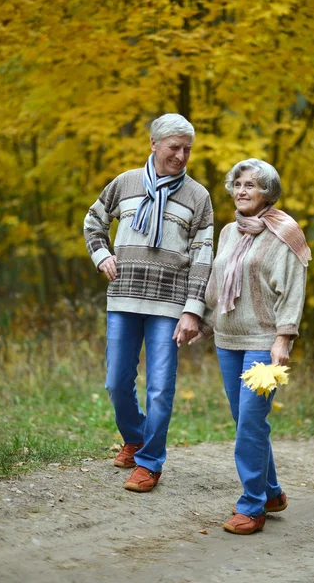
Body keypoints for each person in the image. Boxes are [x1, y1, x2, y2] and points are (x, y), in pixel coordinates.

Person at [84, 113, 213, 492]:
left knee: (160, 386)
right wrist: (100, 254)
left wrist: (193, 308)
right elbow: (94, 220)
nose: (182, 155)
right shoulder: (125, 183)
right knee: (116, 382)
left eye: (187, 148)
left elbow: (204, 255)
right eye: (175, 147)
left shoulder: (198, 196)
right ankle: (135, 436)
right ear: (154, 145)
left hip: (170, 304)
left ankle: (150, 462)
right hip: (124, 296)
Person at [193, 158, 311, 534]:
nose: (242, 191)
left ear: (268, 193)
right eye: (238, 184)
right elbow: (216, 282)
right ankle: (272, 492)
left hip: (264, 342)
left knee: (250, 424)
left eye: (252, 185)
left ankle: (252, 506)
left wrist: (283, 339)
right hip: (229, 340)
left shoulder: (285, 233)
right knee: (246, 420)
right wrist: (206, 322)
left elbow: (292, 289)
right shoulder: (229, 232)